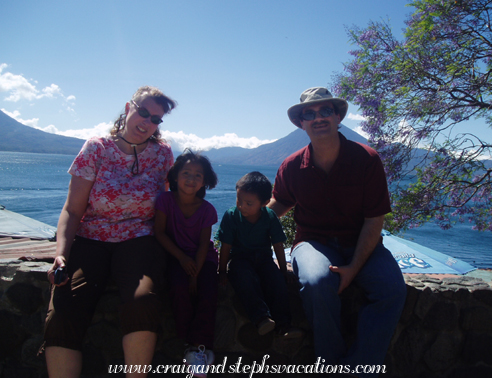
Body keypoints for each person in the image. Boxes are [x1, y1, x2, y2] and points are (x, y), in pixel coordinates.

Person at [268, 87, 407, 376]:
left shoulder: (366, 159)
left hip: (362, 244)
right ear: (301, 122)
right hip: (312, 242)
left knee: (391, 289)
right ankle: (329, 366)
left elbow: (374, 220)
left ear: (338, 116)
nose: (318, 118)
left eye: (325, 111)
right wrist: (246, 221)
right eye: (310, 113)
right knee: (318, 283)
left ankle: (359, 369)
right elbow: (279, 203)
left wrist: (354, 266)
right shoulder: (292, 166)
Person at [43, 86, 177, 378]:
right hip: (91, 238)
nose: (147, 122)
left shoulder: (163, 153)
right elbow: (73, 210)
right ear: (129, 107)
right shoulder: (97, 148)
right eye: (143, 112)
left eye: (156, 119)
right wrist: (61, 256)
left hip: (139, 240)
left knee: (142, 302)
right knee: (64, 308)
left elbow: (168, 204)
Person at [154, 150, 219, 378]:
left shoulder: (207, 210)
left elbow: (204, 245)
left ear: (205, 181)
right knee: (179, 289)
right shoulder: (164, 201)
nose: (191, 179)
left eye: (198, 175)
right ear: (175, 176)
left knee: (208, 292)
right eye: (186, 173)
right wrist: (181, 259)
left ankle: (198, 347)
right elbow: (160, 233)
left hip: (204, 259)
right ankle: (190, 344)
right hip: (175, 256)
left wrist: (195, 274)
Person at [217, 171, 302, 338]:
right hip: (239, 259)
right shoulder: (231, 216)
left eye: (248, 203)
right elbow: (225, 246)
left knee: (277, 282)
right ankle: (261, 318)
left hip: (263, 259)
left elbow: (278, 244)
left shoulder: (269, 216)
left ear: (264, 203)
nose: (241, 206)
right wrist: (222, 271)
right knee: (245, 279)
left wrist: (283, 271)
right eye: (238, 200)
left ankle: (284, 325)